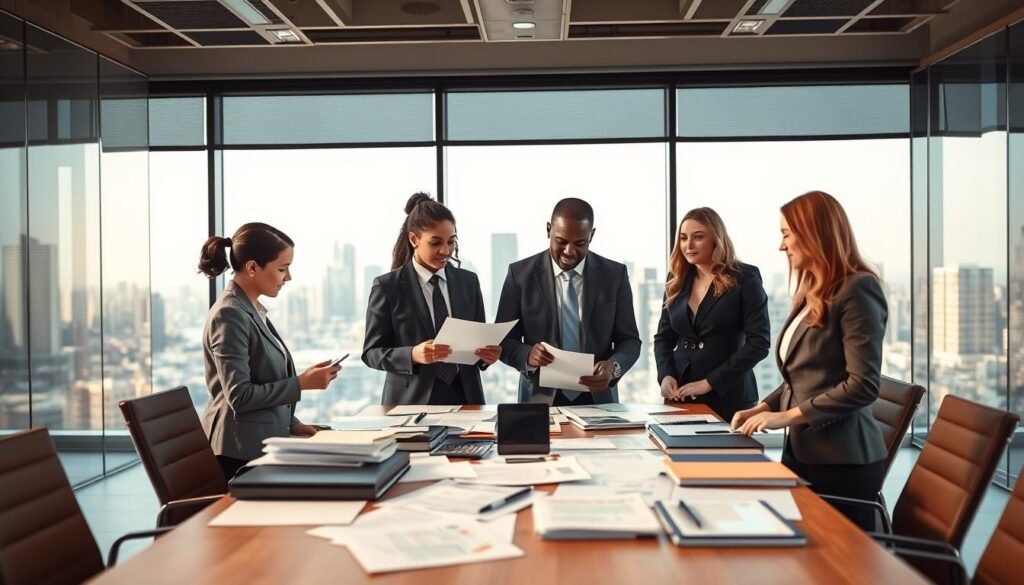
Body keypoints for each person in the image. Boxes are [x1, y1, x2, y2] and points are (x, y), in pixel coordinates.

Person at [731, 191, 888, 530]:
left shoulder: (857, 289)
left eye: (787, 233)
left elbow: (863, 385)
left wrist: (786, 417)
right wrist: (763, 407)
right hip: (804, 450)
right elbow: (800, 377)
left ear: (814, 233)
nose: (781, 246)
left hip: (842, 461)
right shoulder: (812, 292)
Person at [198, 222, 340, 480]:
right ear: (252, 268)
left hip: (264, 443)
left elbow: (263, 379)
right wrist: (301, 384)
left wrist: (293, 424)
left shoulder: (251, 309)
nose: (288, 277)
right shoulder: (230, 314)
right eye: (282, 269)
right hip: (239, 455)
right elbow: (240, 395)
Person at [496, 197, 641, 405]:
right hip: (539, 402)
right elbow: (503, 340)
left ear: (592, 235)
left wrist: (613, 368)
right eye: (561, 241)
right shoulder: (519, 275)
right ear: (548, 230)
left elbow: (630, 341)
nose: (569, 252)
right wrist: (528, 355)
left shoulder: (614, 275)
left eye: (580, 243)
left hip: (598, 401)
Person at [362, 193, 500, 405]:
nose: (445, 250)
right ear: (414, 239)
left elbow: (478, 342)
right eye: (436, 243)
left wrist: (487, 357)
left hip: (465, 398)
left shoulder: (468, 282)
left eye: (451, 242)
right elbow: (371, 353)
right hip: (410, 402)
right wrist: (412, 354)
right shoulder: (388, 287)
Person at [654, 207, 770, 422]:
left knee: (725, 456)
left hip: (729, 396)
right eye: (683, 238)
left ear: (716, 239)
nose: (688, 245)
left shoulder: (745, 278)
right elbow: (663, 338)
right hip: (680, 396)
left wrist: (710, 382)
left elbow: (759, 343)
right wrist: (665, 375)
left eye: (698, 237)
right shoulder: (676, 279)